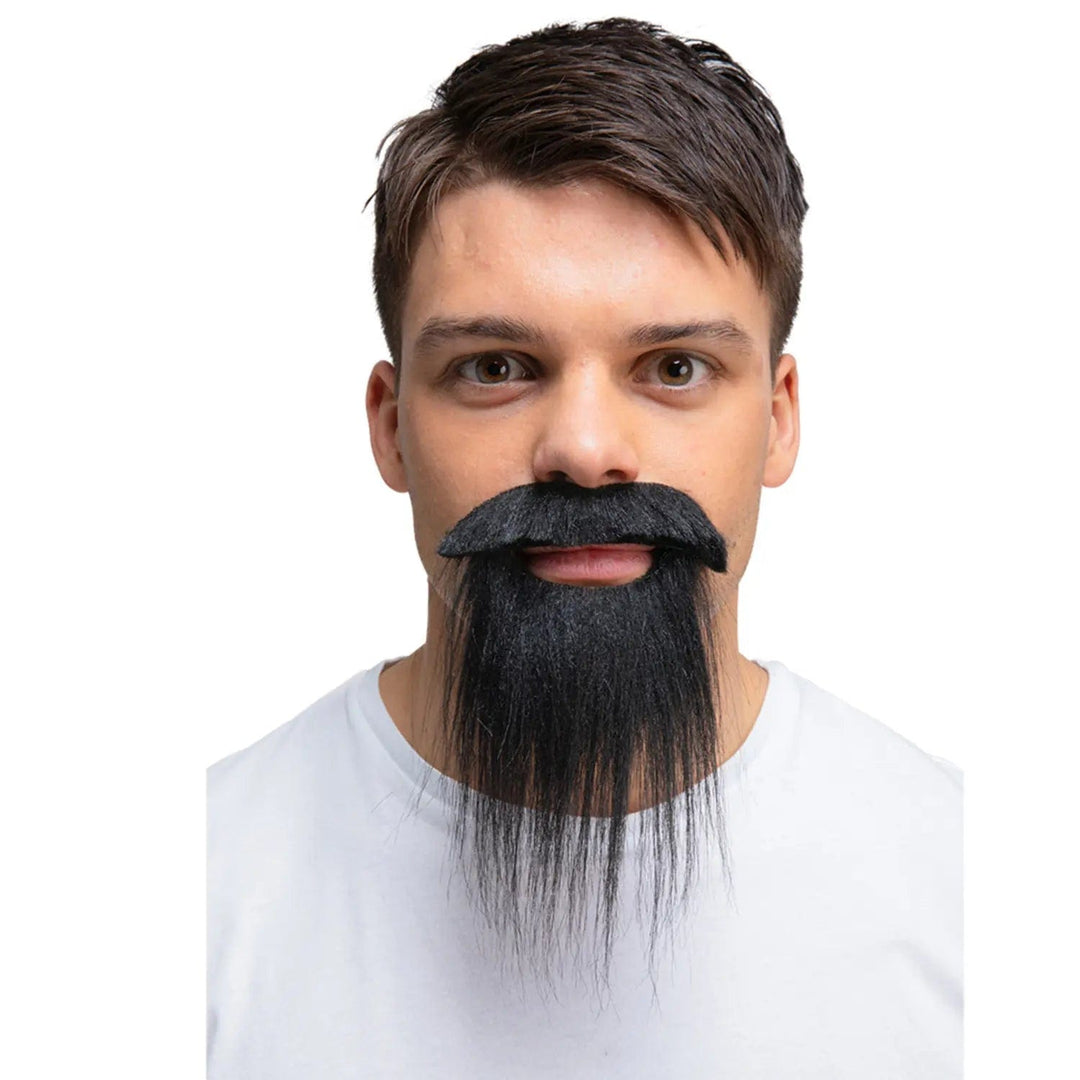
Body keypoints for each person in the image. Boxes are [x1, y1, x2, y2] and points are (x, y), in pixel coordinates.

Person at [207, 17, 962, 1078]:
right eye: (497, 366)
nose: (587, 450)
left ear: (781, 418)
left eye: (676, 368)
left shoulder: (964, 889)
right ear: (390, 425)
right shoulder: (197, 895)